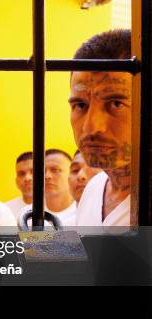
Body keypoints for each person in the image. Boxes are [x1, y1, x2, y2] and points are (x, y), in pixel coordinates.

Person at [69, 29, 132, 226]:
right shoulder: (95, 187)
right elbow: (90, 253)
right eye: (80, 105)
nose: (91, 127)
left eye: (115, 103)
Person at [18, 149, 77, 226]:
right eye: (42, 171)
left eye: (55, 170)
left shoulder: (84, 212)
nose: (47, 176)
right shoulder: (27, 215)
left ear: (71, 173)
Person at [5, 151, 33, 220]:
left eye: (33, 172)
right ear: (16, 181)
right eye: (21, 173)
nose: (27, 178)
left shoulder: (58, 209)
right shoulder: (5, 210)